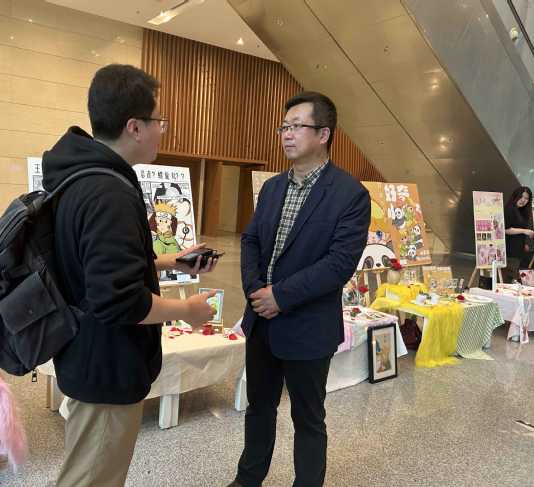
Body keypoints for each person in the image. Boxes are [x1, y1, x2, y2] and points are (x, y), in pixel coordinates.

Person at [42, 64, 217, 487]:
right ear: (135, 127)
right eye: (160, 122)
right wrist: (187, 311)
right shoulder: (109, 192)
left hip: (86, 354)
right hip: (107, 365)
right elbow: (117, 300)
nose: (162, 131)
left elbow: (92, 266)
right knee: (92, 478)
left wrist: (168, 263)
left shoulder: (80, 175)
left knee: (89, 470)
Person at [227, 92, 370, 487]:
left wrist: (281, 296)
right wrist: (257, 291)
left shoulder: (350, 195)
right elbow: (251, 241)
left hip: (308, 326)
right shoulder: (273, 187)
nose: (286, 134)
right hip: (262, 321)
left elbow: (338, 264)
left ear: (323, 134)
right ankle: (247, 480)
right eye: (283, 127)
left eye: (296, 127)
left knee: (308, 417)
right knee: (259, 408)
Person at [504, 186, 534, 280]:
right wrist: (524, 231)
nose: (523, 200)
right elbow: (506, 229)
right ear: (515, 196)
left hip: (517, 250)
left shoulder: (522, 211)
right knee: (507, 278)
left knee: (511, 278)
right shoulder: (510, 209)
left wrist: (524, 243)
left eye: (526, 198)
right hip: (509, 250)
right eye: (521, 197)